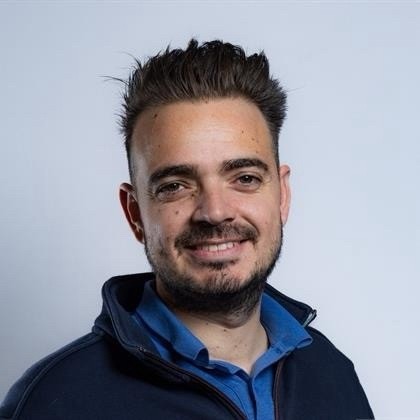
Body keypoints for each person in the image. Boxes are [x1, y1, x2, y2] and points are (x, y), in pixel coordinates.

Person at [0, 39, 374, 420]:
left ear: (282, 195)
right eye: (175, 186)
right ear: (135, 213)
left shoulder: (332, 374)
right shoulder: (54, 403)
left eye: (244, 178)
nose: (214, 212)